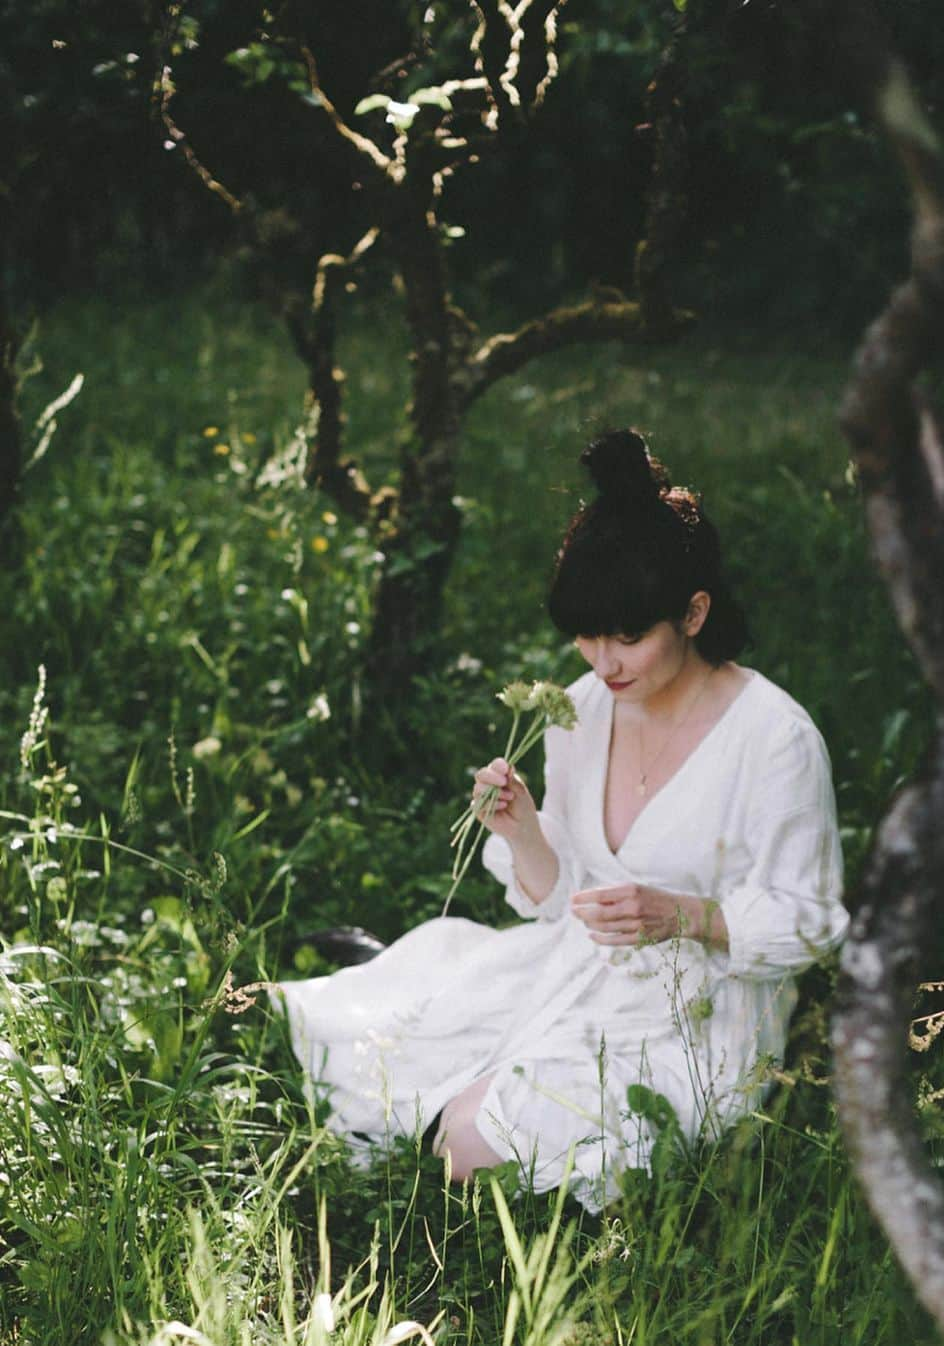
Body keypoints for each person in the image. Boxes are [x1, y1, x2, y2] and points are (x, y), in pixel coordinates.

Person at [279, 429, 848, 1211]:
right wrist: (524, 834)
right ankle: (408, 1010)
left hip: (698, 1019)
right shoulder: (582, 711)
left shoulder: (775, 739)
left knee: (476, 1143)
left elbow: (812, 925)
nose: (604, 661)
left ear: (693, 612)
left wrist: (685, 915)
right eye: (586, 636)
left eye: (628, 637)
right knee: (365, 1045)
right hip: (573, 970)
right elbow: (563, 900)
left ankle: (463, 1106)